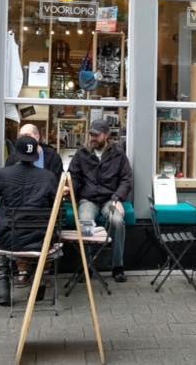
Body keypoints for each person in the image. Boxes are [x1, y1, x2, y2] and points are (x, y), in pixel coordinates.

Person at [0, 135, 59, 306]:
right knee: (39, 234)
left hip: (9, 239)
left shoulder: (2, 174)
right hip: (40, 240)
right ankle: (37, 279)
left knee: (1, 232)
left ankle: (3, 289)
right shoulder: (48, 176)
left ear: (16, 154)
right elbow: (56, 208)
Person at [69, 119, 132, 282]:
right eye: (91, 134)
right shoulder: (81, 153)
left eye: (96, 135)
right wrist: (70, 190)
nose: (93, 138)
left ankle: (117, 266)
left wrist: (117, 198)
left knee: (117, 221)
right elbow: (73, 176)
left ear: (106, 135)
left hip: (110, 199)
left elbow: (126, 179)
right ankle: (86, 266)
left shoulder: (118, 154)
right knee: (85, 221)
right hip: (88, 199)